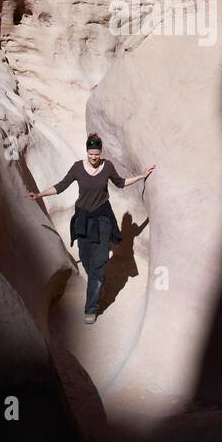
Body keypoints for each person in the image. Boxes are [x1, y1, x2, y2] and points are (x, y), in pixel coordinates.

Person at [27, 134, 155, 324]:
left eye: (97, 154)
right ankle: (97, 284)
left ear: (100, 152)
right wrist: (39, 194)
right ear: (87, 151)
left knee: (99, 261)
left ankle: (91, 307)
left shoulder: (108, 167)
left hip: (103, 218)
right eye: (91, 154)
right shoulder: (78, 167)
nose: (94, 157)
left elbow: (120, 183)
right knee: (86, 260)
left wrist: (142, 176)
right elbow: (61, 186)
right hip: (82, 218)